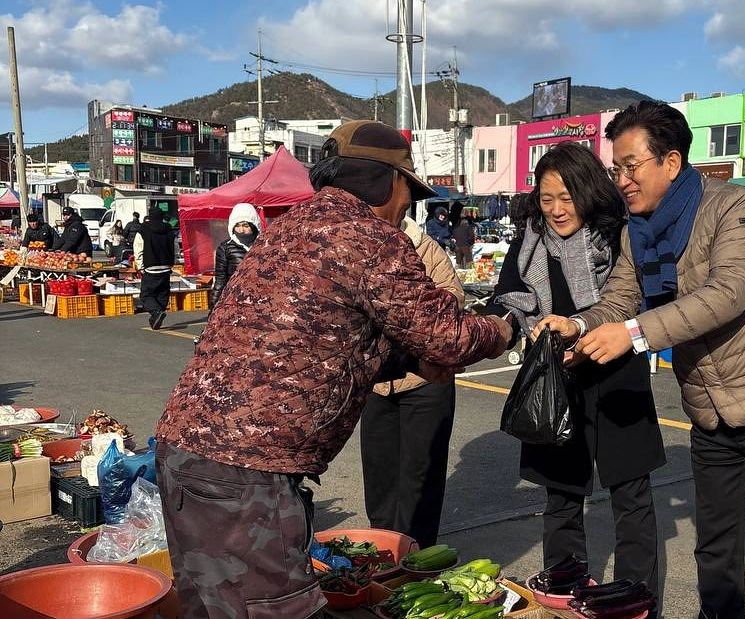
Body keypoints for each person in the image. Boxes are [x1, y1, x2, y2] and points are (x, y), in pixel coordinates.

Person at [154, 120, 511, 619]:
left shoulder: (291, 228)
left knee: (212, 608)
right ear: (387, 181)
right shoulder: (367, 236)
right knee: (277, 610)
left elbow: (318, 339)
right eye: (409, 189)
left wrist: (407, 360)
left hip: (186, 452)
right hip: (247, 470)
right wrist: (503, 328)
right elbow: (447, 336)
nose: (407, 205)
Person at [538, 101, 745, 619]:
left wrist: (633, 335)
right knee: (715, 549)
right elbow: (619, 298)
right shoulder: (637, 230)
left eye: (630, 166)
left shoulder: (735, 207)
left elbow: (727, 294)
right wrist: (579, 325)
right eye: (616, 169)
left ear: (671, 162)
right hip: (711, 410)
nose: (622, 180)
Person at [488, 141, 666, 597]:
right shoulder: (528, 242)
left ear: (588, 192)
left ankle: (636, 598)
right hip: (556, 380)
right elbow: (507, 299)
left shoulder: (619, 234)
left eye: (567, 198)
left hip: (618, 374)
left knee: (632, 497)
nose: (556, 210)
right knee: (561, 496)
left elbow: (639, 299)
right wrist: (508, 327)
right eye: (547, 199)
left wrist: (589, 333)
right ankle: (563, 593)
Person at [361, 215, 463, 547]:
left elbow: (452, 304)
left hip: (425, 381)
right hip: (377, 383)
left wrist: (408, 321)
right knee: (379, 475)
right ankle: (382, 550)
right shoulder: (357, 247)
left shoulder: (426, 248)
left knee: (421, 475)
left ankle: (417, 554)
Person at [210, 202, 260, 308]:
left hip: (260, 299)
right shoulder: (225, 248)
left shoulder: (264, 245)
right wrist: (214, 305)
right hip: (235, 300)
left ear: (254, 225)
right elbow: (220, 279)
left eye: (246, 226)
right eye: (237, 226)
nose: (241, 230)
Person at [134, 207, 175, 330]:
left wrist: (140, 266)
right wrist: (172, 262)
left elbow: (138, 248)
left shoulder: (143, 229)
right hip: (166, 266)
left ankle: (156, 312)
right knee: (162, 293)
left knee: (146, 295)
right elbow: (175, 247)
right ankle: (156, 318)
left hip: (151, 266)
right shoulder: (168, 229)